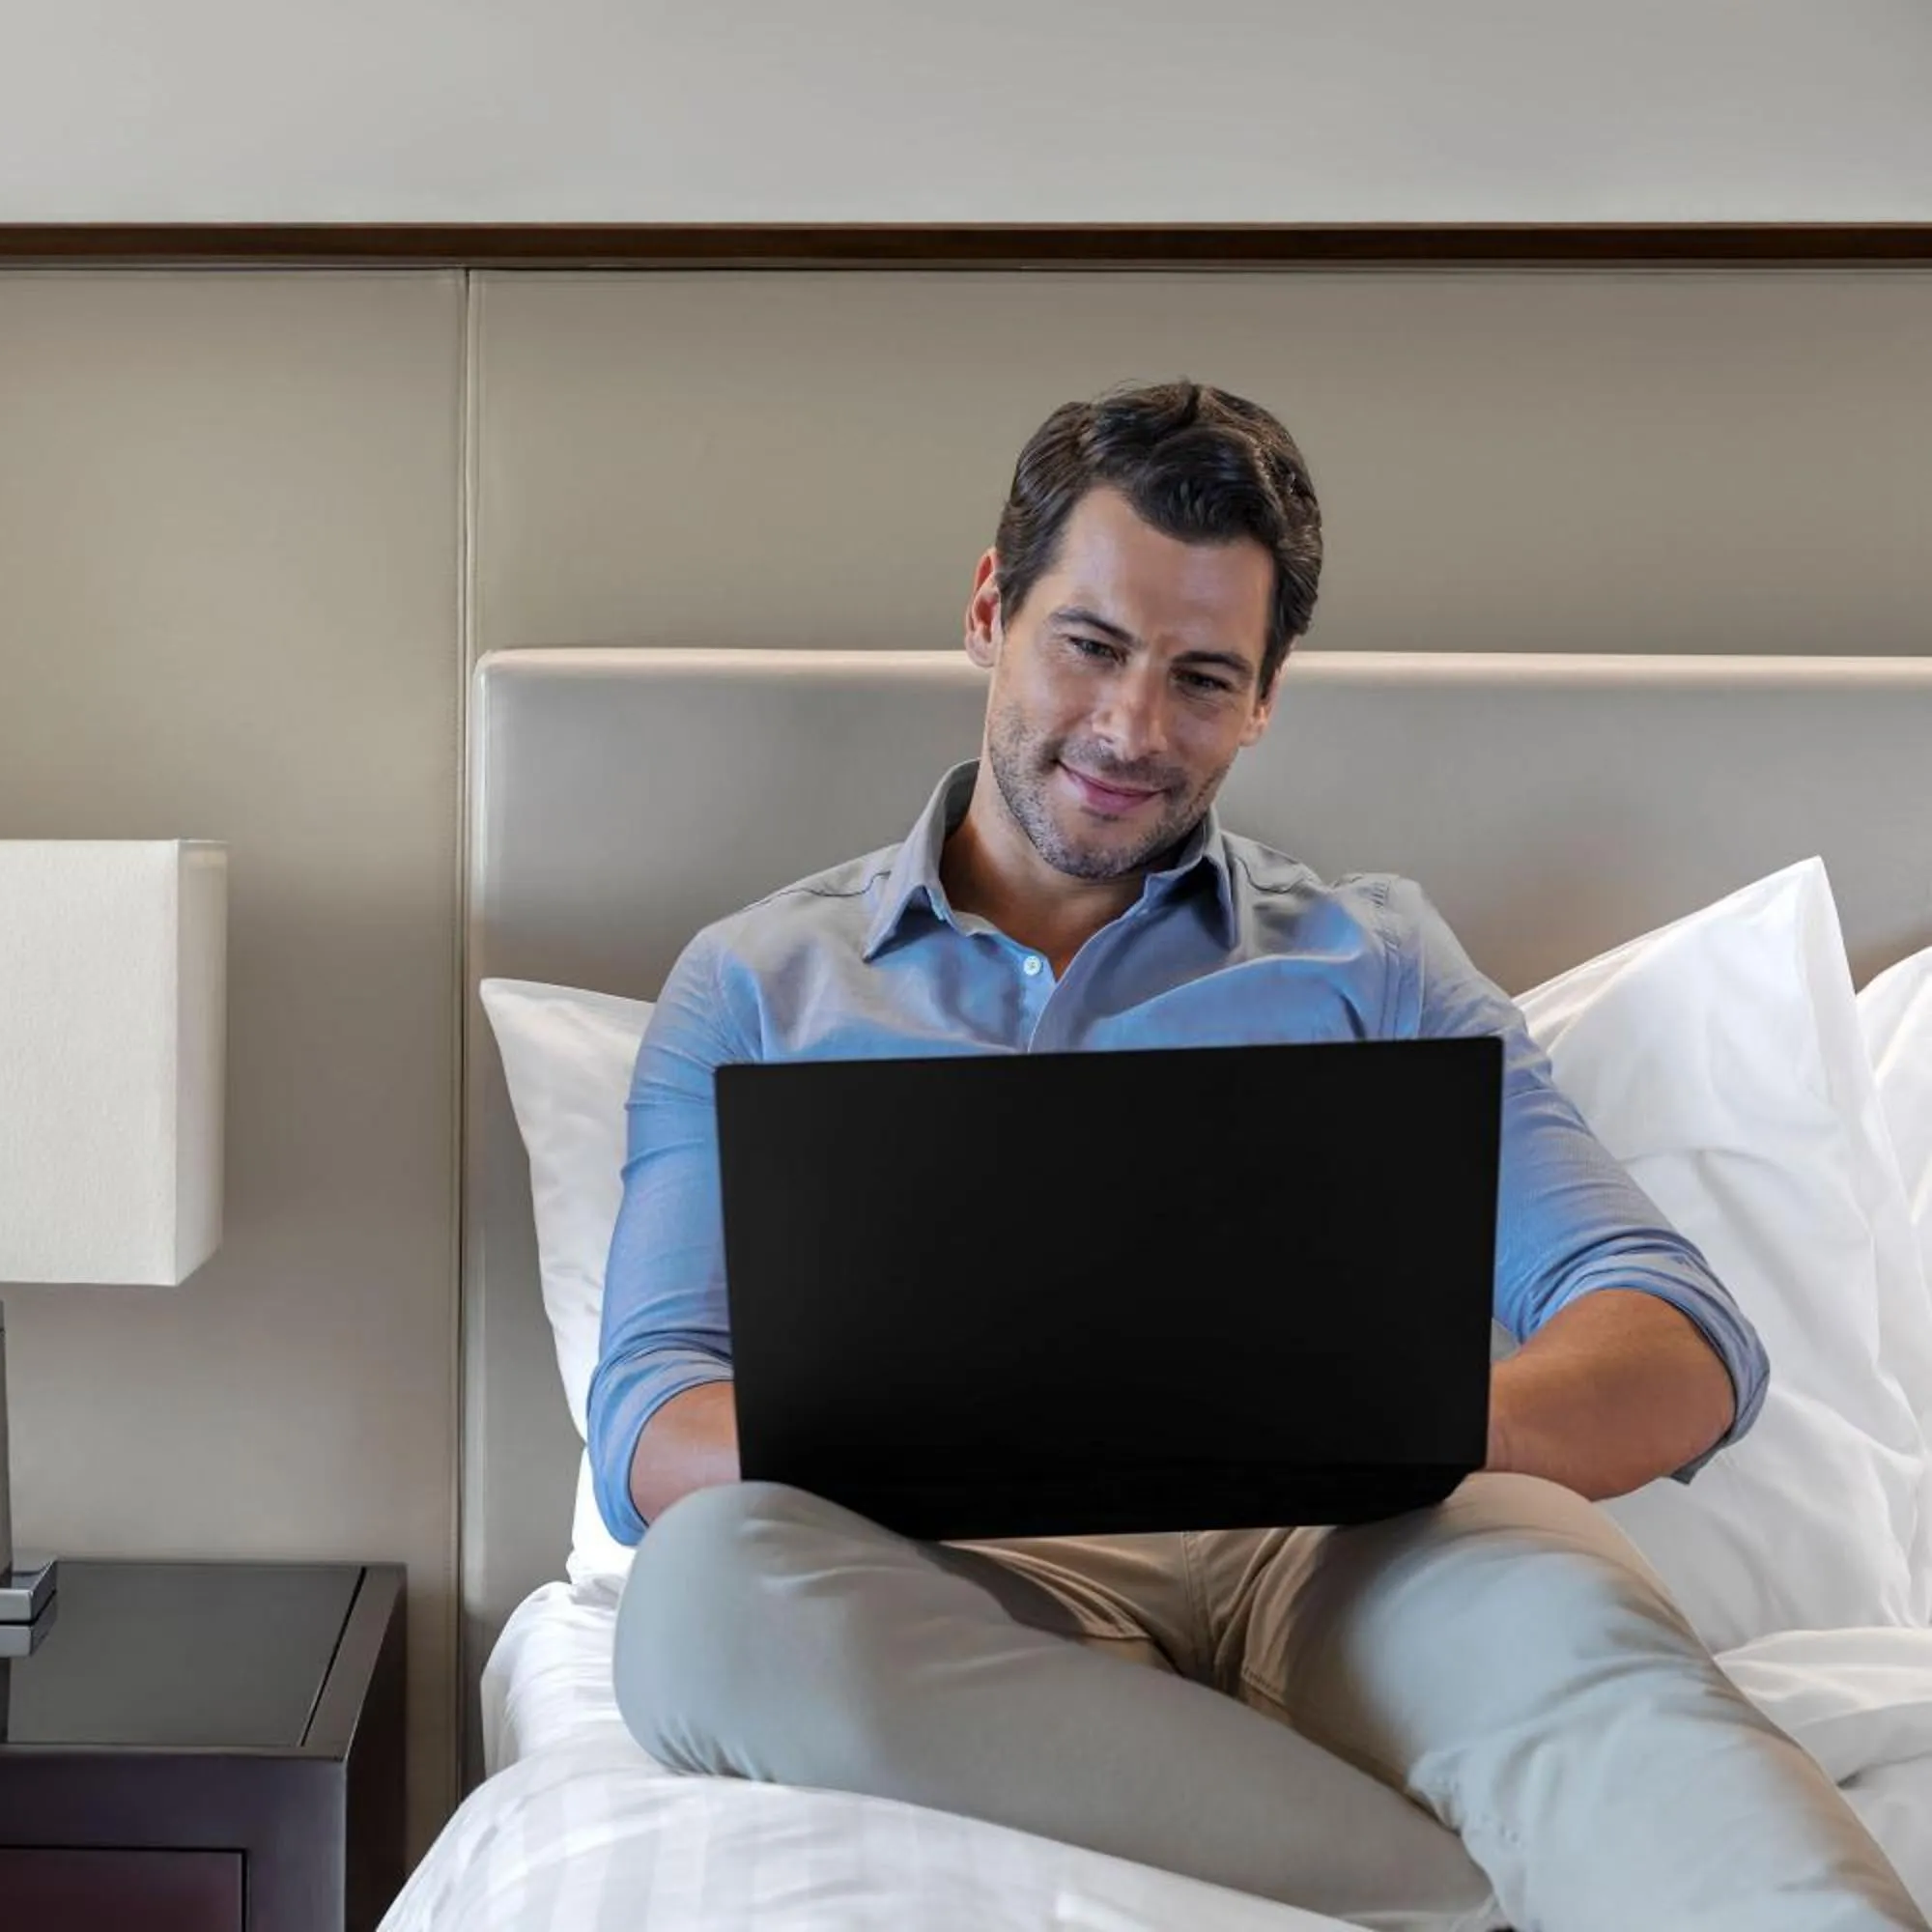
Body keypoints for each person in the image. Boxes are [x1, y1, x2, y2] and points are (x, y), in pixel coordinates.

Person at [590, 380, 1926, 1932]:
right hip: (947, 1581)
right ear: (989, 611)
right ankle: (1453, 1902)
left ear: (1267, 696)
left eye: (1203, 678)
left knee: (1573, 1634)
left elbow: (1678, 1335)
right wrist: (998, 1435)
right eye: (1090, 646)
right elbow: (651, 1418)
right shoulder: (760, 984)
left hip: (1359, 1551)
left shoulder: (1377, 961)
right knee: (702, 1607)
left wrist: (1392, 1430)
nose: (1132, 730)